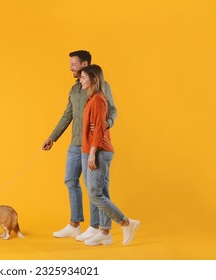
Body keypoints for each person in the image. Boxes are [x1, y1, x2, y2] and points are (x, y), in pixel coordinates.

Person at [42, 50, 117, 241]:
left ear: (84, 65)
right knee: (70, 180)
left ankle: (94, 226)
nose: (70, 68)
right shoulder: (74, 90)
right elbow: (67, 114)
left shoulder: (101, 87)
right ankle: (75, 224)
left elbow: (112, 111)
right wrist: (52, 137)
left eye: (73, 64)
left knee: (91, 185)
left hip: (92, 145)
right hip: (75, 144)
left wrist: (105, 124)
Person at [79, 64, 140, 246]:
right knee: (101, 192)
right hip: (97, 150)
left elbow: (98, 129)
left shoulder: (98, 99)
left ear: (94, 80)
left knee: (95, 193)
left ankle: (126, 223)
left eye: (83, 77)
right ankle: (105, 232)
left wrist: (92, 153)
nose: (80, 80)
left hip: (99, 151)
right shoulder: (92, 99)